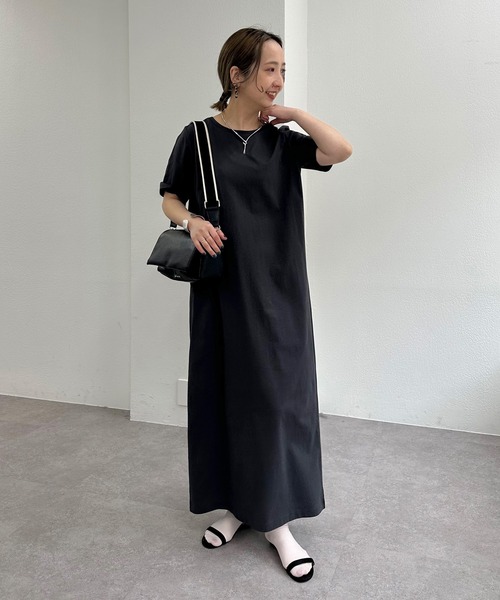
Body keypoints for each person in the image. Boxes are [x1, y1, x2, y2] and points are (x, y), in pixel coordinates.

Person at [159, 27, 352, 583]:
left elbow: (340, 150)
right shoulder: (197, 137)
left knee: (277, 400)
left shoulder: (282, 141)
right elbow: (169, 196)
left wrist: (293, 113)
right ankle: (238, 507)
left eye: (283, 70)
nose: (278, 79)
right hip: (222, 292)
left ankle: (277, 522)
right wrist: (191, 221)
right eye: (270, 69)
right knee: (227, 398)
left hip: (280, 290)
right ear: (236, 74)